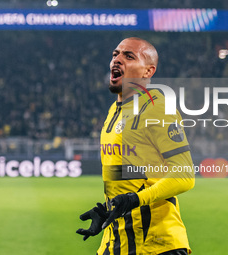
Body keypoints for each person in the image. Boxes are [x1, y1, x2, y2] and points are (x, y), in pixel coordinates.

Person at [77, 37, 195, 255]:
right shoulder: (114, 110)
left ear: (148, 72)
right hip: (114, 244)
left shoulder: (157, 109)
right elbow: (132, 177)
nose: (117, 59)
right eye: (115, 54)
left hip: (154, 245)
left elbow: (185, 175)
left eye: (129, 56)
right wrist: (107, 211)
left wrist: (135, 200)